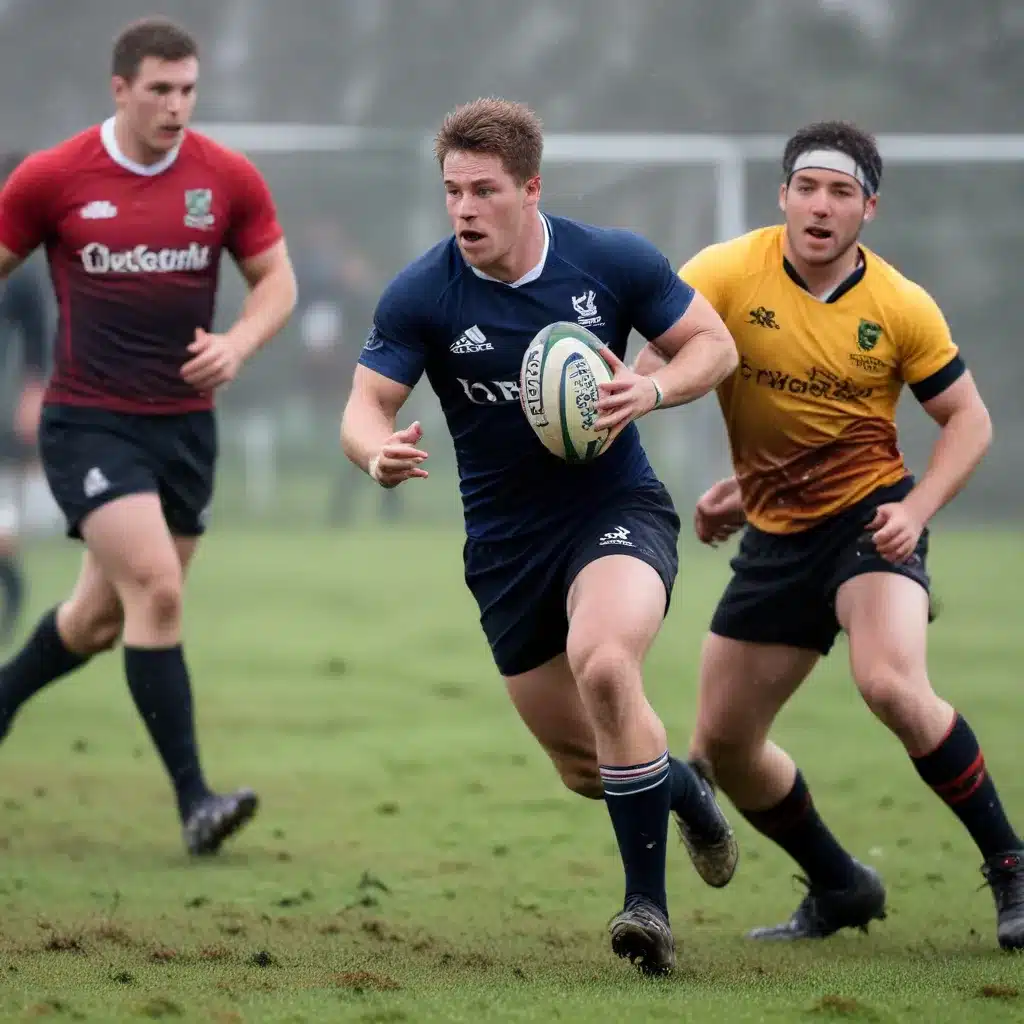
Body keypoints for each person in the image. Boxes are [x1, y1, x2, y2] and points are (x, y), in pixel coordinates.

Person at [341, 97, 740, 976]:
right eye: (452, 192)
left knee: (606, 663)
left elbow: (714, 346)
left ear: (531, 189)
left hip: (615, 510)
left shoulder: (611, 261)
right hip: (506, 548)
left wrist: (656, 390)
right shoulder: (424, 291)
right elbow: (365, 407)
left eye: (484, 191)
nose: (464, 210)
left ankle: (647, 912)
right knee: (586, 764)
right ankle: (686, 791)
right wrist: (376, 454)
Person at [634, 120, 1024, 951]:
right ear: (783, 197)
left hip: (869, 523)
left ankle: (1013, 867)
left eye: (841, 192)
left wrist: (915, 513)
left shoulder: (899, 305)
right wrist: (743, 487)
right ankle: (844, 886)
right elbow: (659, 362)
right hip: (776, 537)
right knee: (725, 749)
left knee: (890, 683)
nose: (820, 205)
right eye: (806, 188)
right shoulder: (724, 273)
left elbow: (969, 421)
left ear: (868, 209)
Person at [0, 17, 297, 856]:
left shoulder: (226, 177)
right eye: (160, 90)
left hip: (185, 432)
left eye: (188, 90)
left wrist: (237, 343)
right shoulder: (53, 177)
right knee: (160, 592)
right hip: (88, 422)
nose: (176, 107)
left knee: (99, 618)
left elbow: (276, 281)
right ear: (121, 88)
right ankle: (196, 802)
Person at [0, 151, 49, 644]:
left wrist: (31, 399)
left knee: (3, 542)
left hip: (1, 420)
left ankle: (8, 630)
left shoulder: (22, 276)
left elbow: (38, 345)